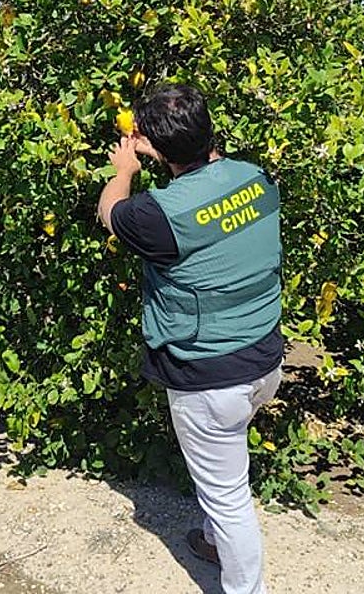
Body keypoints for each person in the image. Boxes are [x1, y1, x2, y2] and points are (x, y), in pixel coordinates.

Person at [97, 83, 284, 594]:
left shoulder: (156, 214)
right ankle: (211, 539)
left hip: (210, 375)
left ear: (155, 149)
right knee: (222, 473)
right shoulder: (257, 177)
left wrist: (124, 171)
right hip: (265, 357)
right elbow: (211, 190)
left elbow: (111, 214)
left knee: (229, 497)